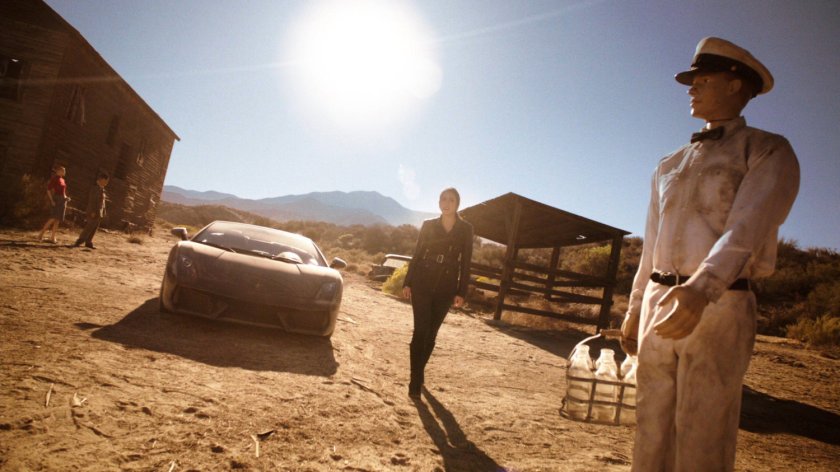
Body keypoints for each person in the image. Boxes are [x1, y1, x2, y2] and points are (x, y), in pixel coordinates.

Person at [620, 37, 800, 471]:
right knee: (651, 427)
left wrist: (702, 287)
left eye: (702, 80)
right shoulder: (668, 164)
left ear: (736, 84)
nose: (691, 88)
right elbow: (652, 242)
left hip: (719, 305)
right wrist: (634, 308)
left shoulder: (767, 149)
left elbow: (748, 228)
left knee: (703, 432)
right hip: (659, 305)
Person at [402, 187, 473, 398]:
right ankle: (415, 381)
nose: (446, 203)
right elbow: (417, 254)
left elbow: (466, 262)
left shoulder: (466, 229)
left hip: (446, 287)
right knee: (420, 331)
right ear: (439, 202)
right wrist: (408, 282)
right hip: (423, 282)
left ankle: (419, 370)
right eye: (443, 199)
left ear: (457, 204)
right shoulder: (428, 225)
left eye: (451, 199)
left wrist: (462, 291)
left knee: (431, 334)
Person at [73, 172, 109, 249]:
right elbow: (92, 200)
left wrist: (103, 211)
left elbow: (102, 202)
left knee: (94, 227)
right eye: (105, 181)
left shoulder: (102, 189)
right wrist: (93, 211)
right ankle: (80, 240)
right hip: (93, 211)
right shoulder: (95, 188)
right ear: (101, 179)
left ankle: (88, 241)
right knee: (89, 226)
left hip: (99, 212)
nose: (106, 183)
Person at [37, 165, 70, 243]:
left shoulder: (63, 180)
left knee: (57, 219)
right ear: (58, 171)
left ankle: (52, 237)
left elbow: (63, 192)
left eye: (64, 171)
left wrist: (66, 197)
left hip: (62, 200)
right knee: (53, 218)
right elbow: (48, 190)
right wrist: (52, 200)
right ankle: (40, 234)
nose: (64, 172)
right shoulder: (54, 179)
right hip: (57, 199)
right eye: (63, 170)